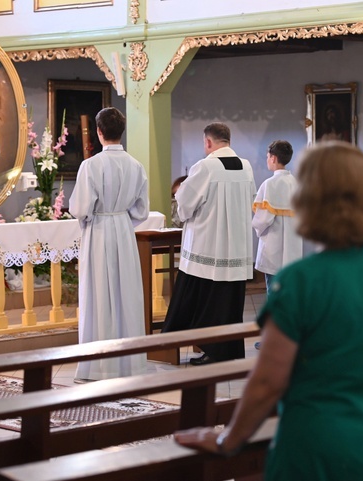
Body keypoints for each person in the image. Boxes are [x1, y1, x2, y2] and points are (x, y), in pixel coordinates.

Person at [175, 141, 363, 481]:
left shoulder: (301, 281)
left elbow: (268, 381)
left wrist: (230, 438)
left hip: (318, 440)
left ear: (309, 199)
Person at [161, 122, 255, 365]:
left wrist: (180, 196)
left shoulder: (206, 166)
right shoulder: (246, 167)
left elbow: (185, 204)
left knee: (200, 301)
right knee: (228, 303)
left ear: (208, 142)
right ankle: (228, 351)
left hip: (208, 246)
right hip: (235, 248)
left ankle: (203, 349)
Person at [69, 107, 150, 383]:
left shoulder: (90, 166)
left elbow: (80, 208)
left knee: (99, 295)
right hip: (124, 231)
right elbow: (141, 211)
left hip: (99, 232)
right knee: (125, 293)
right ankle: (130, 364)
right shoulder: (136, 165)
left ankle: (99, 367)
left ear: (99, 133)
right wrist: (122, 219)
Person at [252, 140, 302, 351]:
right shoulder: (296, 183)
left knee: (274, 296)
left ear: (273, 157)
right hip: (293, 249)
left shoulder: (269, 185)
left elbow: (263, 219)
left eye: (267, 157)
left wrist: (256, 228)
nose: (267, 160)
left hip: (274, 249)